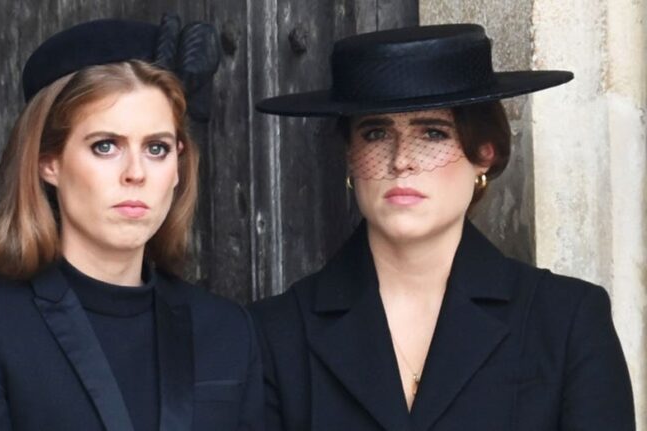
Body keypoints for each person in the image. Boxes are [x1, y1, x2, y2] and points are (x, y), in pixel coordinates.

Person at [249, 24, 634, 431]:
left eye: (433, 133)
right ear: (350, 156)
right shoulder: (274, 334)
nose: (401, 160)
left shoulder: (567, 322)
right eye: (376, 133)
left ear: (484, 152)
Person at [0, 17, 262, 431]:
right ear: (49, 162)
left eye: (156, 148)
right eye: (106, 146)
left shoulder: (225, 329)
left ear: (178, 167)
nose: (136, 173)